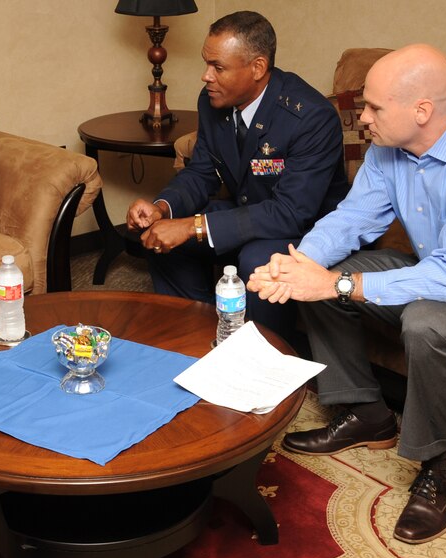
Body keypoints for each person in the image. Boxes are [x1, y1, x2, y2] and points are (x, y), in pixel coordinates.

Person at [248, 44, 446, 543]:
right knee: (324, 277)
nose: (362, 117)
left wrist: (334, 282)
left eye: (374, 107)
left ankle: (439, 467)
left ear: (421, 111)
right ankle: (365, 413)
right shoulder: (389, 148)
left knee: (422, 318)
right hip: (436, 274)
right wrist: (299, 267)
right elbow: (353, 220)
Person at [126, 11, 348, 340]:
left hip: (304, 228)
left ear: (257, 68)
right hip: (248, 214)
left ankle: (269, 356)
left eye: (218, 67)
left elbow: (290, 212)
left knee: (259, 259)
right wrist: (163, 207)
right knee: (159, 235)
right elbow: (202, 172)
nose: (206, 77)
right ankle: (197, 336)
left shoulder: (310, 118)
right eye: (206, 64)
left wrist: (192, 226)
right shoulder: (214, 101)